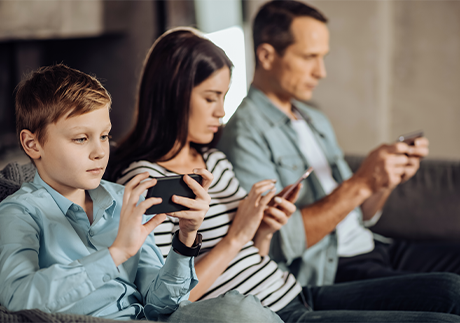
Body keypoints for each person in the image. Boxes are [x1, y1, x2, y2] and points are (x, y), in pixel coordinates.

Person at [108, 27, 460, 323]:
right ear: (173, 94)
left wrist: (263, 231)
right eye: (212, 97)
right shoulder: (146, 182)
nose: (221, 111)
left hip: (295, 291)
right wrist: (236, 237)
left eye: (225, 97)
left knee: (449, 289)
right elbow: (164, 302)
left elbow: (254, 255)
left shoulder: (212, 159)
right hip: (276, 314)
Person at [0, 64, 282, 323]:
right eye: (81, 138)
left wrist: (185, 240)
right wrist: (116, 254)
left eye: (104, 136)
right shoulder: (19, 213)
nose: (100, 152)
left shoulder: (125, 198)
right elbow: (17, 298)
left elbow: (160, 305)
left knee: (243, 308)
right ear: (32, 144)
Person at [217, 0, 460, 288]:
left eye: (323, 57)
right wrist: (361, 182)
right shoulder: (244, 133)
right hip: (333, 268)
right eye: (309, 57)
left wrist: (384, 180)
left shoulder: (314, 119)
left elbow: (363, 214)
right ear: (267, 56)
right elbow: (281, 241)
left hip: (374, 247)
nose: (321, 72)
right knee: (448, 291)